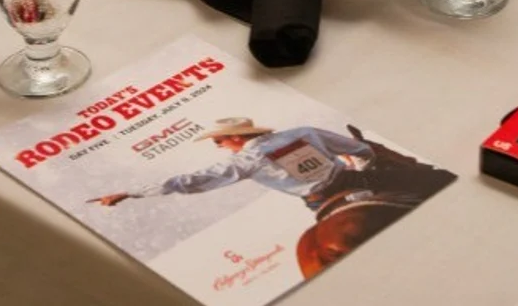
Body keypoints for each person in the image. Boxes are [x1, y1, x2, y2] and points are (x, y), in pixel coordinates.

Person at [90, 117, 454, 277]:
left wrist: (131, 192)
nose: (219, 147)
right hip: (352, 179)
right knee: (434, 180)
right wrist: (363, 162)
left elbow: (193, 181)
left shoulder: (245, 161)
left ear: (236, 137)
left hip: (321, 204)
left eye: (220, 141)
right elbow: (361, 149)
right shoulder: (305, 131)